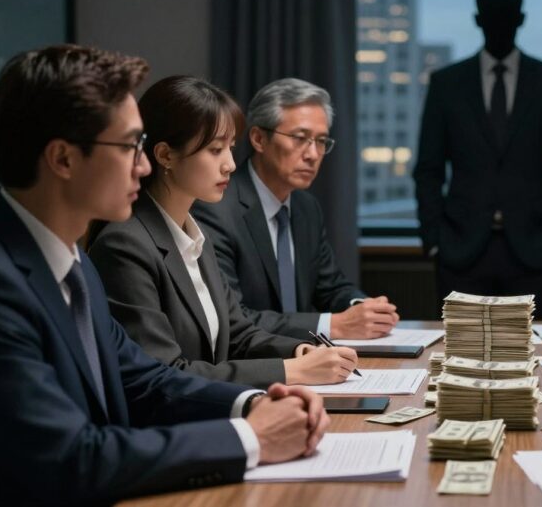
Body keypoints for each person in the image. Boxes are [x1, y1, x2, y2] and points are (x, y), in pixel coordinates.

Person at [0, 45, 329, 505]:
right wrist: (251, 439)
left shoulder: (71, 261)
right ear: (63, 159)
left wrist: (254, 405)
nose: (143, 166)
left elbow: (146, 381)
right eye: (130, 147)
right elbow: (71, 459)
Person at [89, 76, 358, 388]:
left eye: (230, 148)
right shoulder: (126, 244)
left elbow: (238, 333)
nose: (230, 164)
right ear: (165, 156)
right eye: (216, 149)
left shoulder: (194, 232)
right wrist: (291, 371)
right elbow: (163, 375)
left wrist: (301, 351)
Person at [413, 0, 542, 318]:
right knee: (460, 355)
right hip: (460, 247)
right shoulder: (446, 84)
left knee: (532, 355)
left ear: (520, 19)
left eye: (506, 15)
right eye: (492, 15)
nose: (499, 23)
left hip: (535, 248)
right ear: (478, 20)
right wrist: (434, 238)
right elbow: (428, 169)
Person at [192, 78, 399, 340]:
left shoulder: (305, 207)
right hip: (251, 366)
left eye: (321, 140)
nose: (313, 154)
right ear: (258, 138)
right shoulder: (216, 208)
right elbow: (235, 317)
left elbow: (331, 287)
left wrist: (365, 310)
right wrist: (334, 325)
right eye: (300, 138)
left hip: (306, 360)